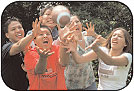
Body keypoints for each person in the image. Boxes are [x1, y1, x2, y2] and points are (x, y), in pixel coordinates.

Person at [63, 27, 132, 90]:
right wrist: (73, 50)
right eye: (114, 35)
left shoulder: (127, 57)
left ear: (125, 43)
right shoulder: (103, 50)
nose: (115, 37)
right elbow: (79, 60)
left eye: (119, 36)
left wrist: (96, 48)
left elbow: (110, 61)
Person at [55, 15, 105, 90]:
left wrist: (94, 35)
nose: (75, 24)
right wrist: (64, 42)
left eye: (77, 22)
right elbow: (62, 62)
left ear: (81, 23)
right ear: (66, 28)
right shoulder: (67, 40)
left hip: (89, 83)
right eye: (71, 23)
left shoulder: (88, 36)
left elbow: (108, 45)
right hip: (70, 85)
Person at [24, 24, 71, 90]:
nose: (45, 36)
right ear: (35, 41)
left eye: (48, 34)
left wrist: (63, 42)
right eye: (41, 34)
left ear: (52, 38)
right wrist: (43, 58)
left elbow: (64, 63)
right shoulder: (30, 54)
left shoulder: (58, 49)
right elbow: (39, 71)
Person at [1, 17, 39, 90]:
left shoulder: (30, 48)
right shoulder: (6, 48)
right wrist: (32, 35)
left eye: (20, 27)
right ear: (7, 35)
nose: (18, 30)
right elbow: (19, 46)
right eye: (13, 29)